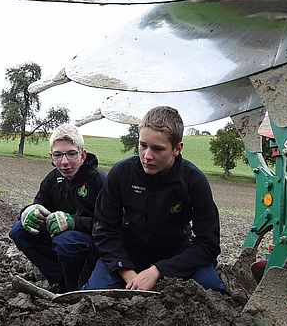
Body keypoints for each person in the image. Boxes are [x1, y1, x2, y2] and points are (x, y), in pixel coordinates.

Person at [87, 106, 225, 292]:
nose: (147, 156)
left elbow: (208, 244)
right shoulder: (121, 174)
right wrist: (129, 274)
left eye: (158, 149)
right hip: (128, 252)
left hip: (175, 253)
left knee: (211, 289)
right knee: (95, 294)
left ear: (177, 148)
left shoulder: (194, 181)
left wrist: (159, 271)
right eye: (143, 145)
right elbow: (104, 230)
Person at [9, 124, 105, 292]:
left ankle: (75, 287)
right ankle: (59, 279)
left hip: (94, 244)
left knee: (66, 241)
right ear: (51, 157)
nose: (64, 161)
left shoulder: (99, 181)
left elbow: (111, 225)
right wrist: (28, 211)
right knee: (19, 230)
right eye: (58, 155)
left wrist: (73, 222)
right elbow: (38, 204)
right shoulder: (53, 179)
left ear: (82, 155)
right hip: (65, 240)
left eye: (71, 154)